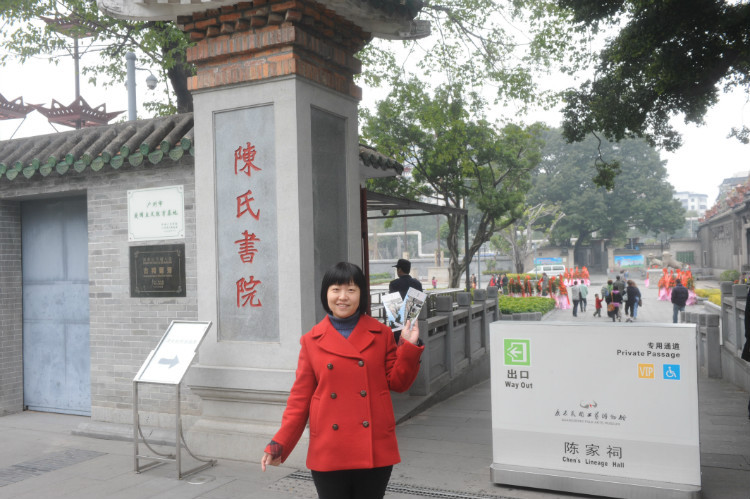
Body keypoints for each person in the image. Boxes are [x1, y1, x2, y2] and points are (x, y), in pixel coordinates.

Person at [261, 262, 424, 499]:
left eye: (351, 290)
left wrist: (408, 345)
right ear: (326, 293)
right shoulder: (311, 340)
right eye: (335, 289)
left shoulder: (382, 334)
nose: (343, 297)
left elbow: (399, 383)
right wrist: (279, 443)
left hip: (374, 448)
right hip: (329, 448)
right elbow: (299, 400)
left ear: (361, 295)